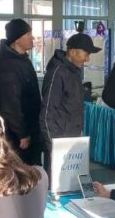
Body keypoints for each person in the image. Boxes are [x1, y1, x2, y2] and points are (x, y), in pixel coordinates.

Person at [40, 33, 101, 172]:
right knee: (55, 182)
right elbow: (47, 113)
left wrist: (78, 132)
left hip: (72, 138)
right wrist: (53, 145)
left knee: (72, 181)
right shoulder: (57, 73)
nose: (88, 59)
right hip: (59, 142)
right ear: (72, 52)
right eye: (86, 54)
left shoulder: (73, 71)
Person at [0, 19, 42, 165]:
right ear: (17, 39)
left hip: (30, 128)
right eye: (28, 34)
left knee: (33, 170)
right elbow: (10, 105)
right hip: (18, 136)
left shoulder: (23, 60)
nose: (32, 38)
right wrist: (22, 134)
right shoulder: (8, 66)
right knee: (21, 171)